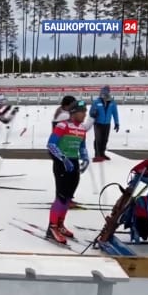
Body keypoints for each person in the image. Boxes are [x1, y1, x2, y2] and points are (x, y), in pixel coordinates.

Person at [46, 100, 90, 244]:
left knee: (69, 197)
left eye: (85, 112)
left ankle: (60, 224)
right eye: (82, 112)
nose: (85, 115)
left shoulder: (82, 128)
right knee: (61, 197)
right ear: (74, 112)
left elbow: (82, 145)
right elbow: (51, 144)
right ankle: (52, 228)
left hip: (74, 162)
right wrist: (63, 158)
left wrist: (85, 158)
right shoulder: (62, 125)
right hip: (62, 163)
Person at [89, 85, 119, 162]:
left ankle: (102, 153)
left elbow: (115, 113)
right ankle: (97, 155)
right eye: (102, 92)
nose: (103, 94)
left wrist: (117, 123)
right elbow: (91, 112)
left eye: (105, 93)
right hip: (98, 124)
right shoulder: (96, 102)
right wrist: (93, 113)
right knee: (98, 139)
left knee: (105, 139)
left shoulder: (112, 102)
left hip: (107, 124)